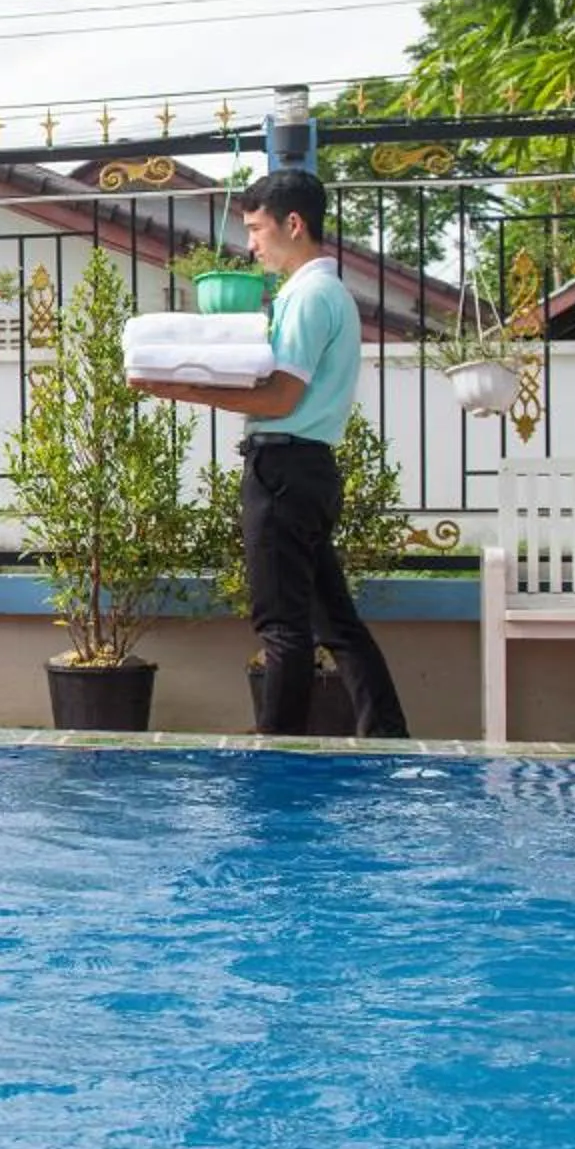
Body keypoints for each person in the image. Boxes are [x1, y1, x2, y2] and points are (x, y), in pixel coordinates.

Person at [131, 170, 410, 737]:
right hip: (305, 469)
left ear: (294, 224)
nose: (251, 243)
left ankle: (277, 759)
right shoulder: (321, 293)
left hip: (283, 469)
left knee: (282, 625)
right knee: (335, 621)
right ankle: (388, 740)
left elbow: (281, 397)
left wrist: (179, 387)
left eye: (257, 229)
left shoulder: (310, 296)